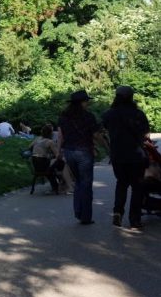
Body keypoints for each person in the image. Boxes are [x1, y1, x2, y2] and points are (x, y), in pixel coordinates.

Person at [102, 86, 150, 229]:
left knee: (121, 184)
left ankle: (118, 212)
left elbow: (101, 131)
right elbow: (146, 135)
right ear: (131, 97)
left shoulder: (108, 114)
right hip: (136, 156)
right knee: (137, 187)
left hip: (118, 155)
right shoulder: (138, 114)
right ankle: (135, 219)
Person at [58, 90, 103, 225]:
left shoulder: (63, 117)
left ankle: (78, 212)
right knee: (86, 184)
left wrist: (59, 151)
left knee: (78, 181)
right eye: (86, 101)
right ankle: (86, 217)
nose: (87, 103)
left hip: (69, 152)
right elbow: (96, 135)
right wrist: (106, 147)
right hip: (84, 153)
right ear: (81, 102)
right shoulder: (88, 116)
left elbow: (61, 136)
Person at [30, 125, 66, 194]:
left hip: (35, 163)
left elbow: (29, 147)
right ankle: (61, 179)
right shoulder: (50, 142)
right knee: (60, 162)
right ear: (51, 133)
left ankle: (58, 183)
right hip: (43, 164)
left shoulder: (37, 139)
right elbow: (57, 155)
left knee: (52, 165)